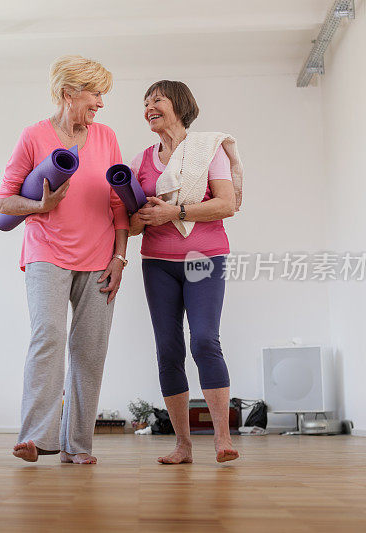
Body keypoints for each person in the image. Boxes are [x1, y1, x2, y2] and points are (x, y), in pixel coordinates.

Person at [0, 55, 129, 465]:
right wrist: (40, 203)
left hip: (100, 256)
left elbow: (118, 203)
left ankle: (78, 446)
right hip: (47, 252)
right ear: (69, 93)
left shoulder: (106, 137)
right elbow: (5, 201)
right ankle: (37, 438)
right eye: (95, 94)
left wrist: (120, 258)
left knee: (90, 349)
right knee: (49, 336)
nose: (101, 103)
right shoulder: (34, 135)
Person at [129, 80, 241, 463]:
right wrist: (141, 216)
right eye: (145, 103)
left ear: (178, 104)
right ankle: (182, 444)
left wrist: (173, 212)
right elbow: (130, 224)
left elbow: (226, 204)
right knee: (168, 350)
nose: (148, 107)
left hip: (202, 259)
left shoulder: (208, 150)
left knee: (205, 341)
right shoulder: (141, 161)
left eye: (156, 100)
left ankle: (222, 439)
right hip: (157, 262)